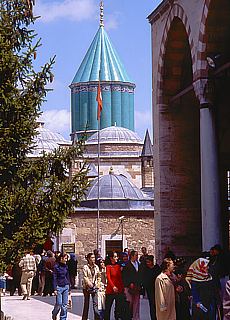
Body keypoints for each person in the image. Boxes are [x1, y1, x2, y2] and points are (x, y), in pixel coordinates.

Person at [104, 251, 130, 320]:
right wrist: (113, 286)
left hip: (119, 289)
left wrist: (122, 288)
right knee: (108, 308)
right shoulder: (108, 267)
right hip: (110, 290)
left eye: (117, 256)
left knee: (118, 307)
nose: (117, 258)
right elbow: (108, 278)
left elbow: (120, 278)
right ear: (111, 258)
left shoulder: (118, 266)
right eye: (115, 257)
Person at [122, 250, 141, 320]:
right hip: (129, 287)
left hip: (137, 286)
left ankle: (136, 317)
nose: (137, 256)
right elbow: (124, 276)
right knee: (129, 302)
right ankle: (128, 316)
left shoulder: (138, 264)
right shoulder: (127, 265)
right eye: (136, 255)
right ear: (132, 256)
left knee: (136, 303)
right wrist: (129, 283)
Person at [140, 255, 161, 320]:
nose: (148, 263)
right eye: (147, 262)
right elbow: (143, 278)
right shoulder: (145, 269)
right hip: (150, 289)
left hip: (157, 288)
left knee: (158, 304)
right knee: (152, 304)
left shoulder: (157, 268)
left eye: (149, 262)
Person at [82, 253, 101, 320]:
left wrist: (97, 284)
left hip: (95, 287)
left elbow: (99, 276)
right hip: (87, 287)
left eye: (94, 257)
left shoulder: (96, 267)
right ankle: (84, 318)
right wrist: (90, 284)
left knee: (95, 304)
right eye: (92, 258)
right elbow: (85, 277)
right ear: (89, 259)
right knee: (86, 304)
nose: (93, 259)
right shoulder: (85, 267)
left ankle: (97, 318)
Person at [52, 253, 70, 320]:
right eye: (65, 258)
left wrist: (69, 287)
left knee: (64, 305)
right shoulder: (56, 267)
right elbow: (54, 278)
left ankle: (63, 318)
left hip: (66, 286)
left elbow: (68, 276)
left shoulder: (66, 266)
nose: (66, 260)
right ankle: (54, 313)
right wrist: (55, 288)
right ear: (61, 258)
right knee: (59, 303)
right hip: (59, 287)